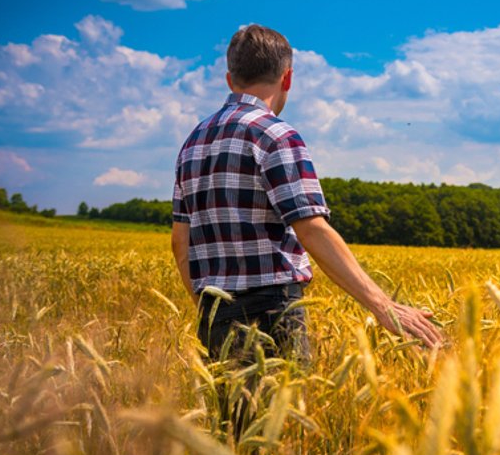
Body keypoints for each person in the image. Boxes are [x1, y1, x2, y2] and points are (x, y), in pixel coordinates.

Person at [171, 24, 443, 363]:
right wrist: (384, 306)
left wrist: (208, 312)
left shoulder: (193, 143)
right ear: (287, 78)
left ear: (229, 79)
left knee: (233, 417)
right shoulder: (276, 136)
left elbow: (180, 243)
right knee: (281, 414)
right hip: (271, 312)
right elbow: (311, 228)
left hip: (213, 312)